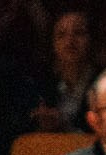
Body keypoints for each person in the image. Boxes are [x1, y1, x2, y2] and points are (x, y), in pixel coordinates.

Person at [6, 7, 99, 140]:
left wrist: (64, 125)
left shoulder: (105, 82)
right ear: (53, 43)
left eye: (78, 33)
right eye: (61, 35)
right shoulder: (39, 80)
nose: (70, 41)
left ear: (92, 39)